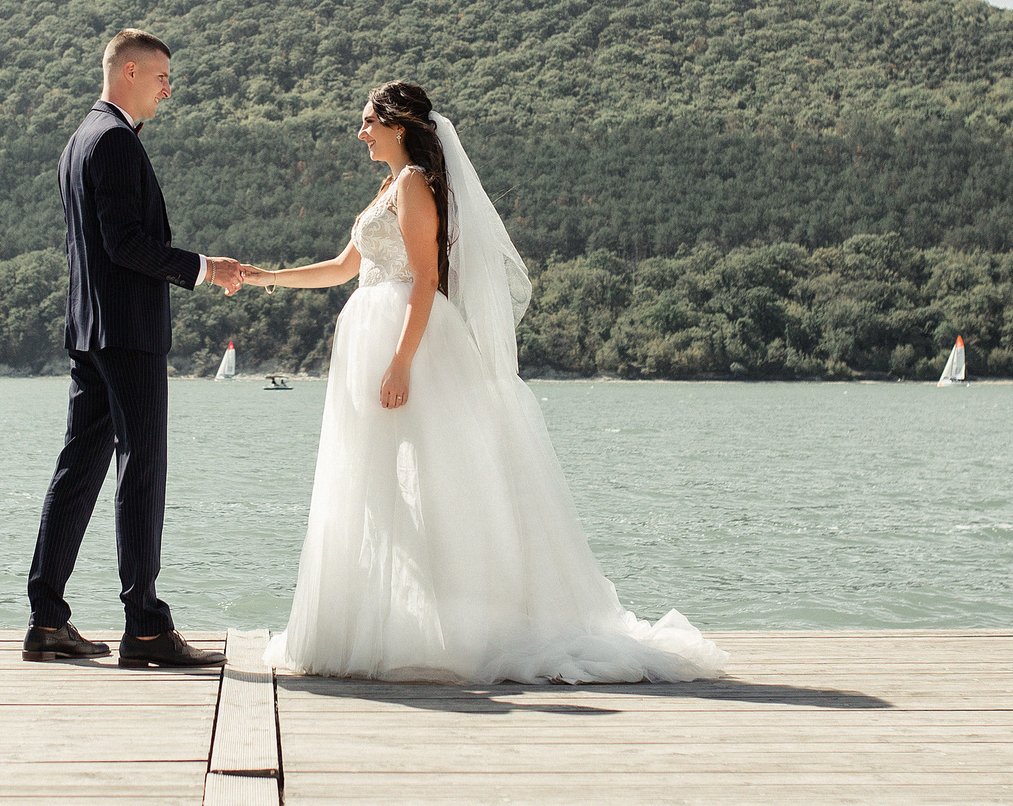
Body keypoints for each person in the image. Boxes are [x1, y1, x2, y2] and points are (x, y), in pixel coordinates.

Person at [242, 82, 730, 684]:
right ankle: (379, 625)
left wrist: (401, 362)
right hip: (370, 337)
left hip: (409, 342)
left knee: (435, 483)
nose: (361, 132)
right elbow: (345, 268)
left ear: (399, 125)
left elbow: (425, 279)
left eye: (369, 121)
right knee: (373, 483)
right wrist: (264, 276)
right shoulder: (388, 188)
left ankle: (459, 628)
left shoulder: (413, 183)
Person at [24, 29, 246, 669]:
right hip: (128, 333)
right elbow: (123, 244)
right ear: (128, 71)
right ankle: (145, 627)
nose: (168, 90)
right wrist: (204, 268)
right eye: (161, 77)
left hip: (90, 332)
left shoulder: (79, 141)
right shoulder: (116, 141)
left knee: (79, 469)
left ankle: (47, 621)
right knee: (141, 469)